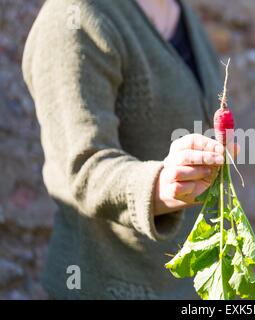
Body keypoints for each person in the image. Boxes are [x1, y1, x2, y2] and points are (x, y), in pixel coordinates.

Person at [22, 0, 235, 299]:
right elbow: (84, 168)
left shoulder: (180, 12)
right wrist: (162, 184)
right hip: (110, 287)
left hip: (188, 287)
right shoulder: (74, 16)